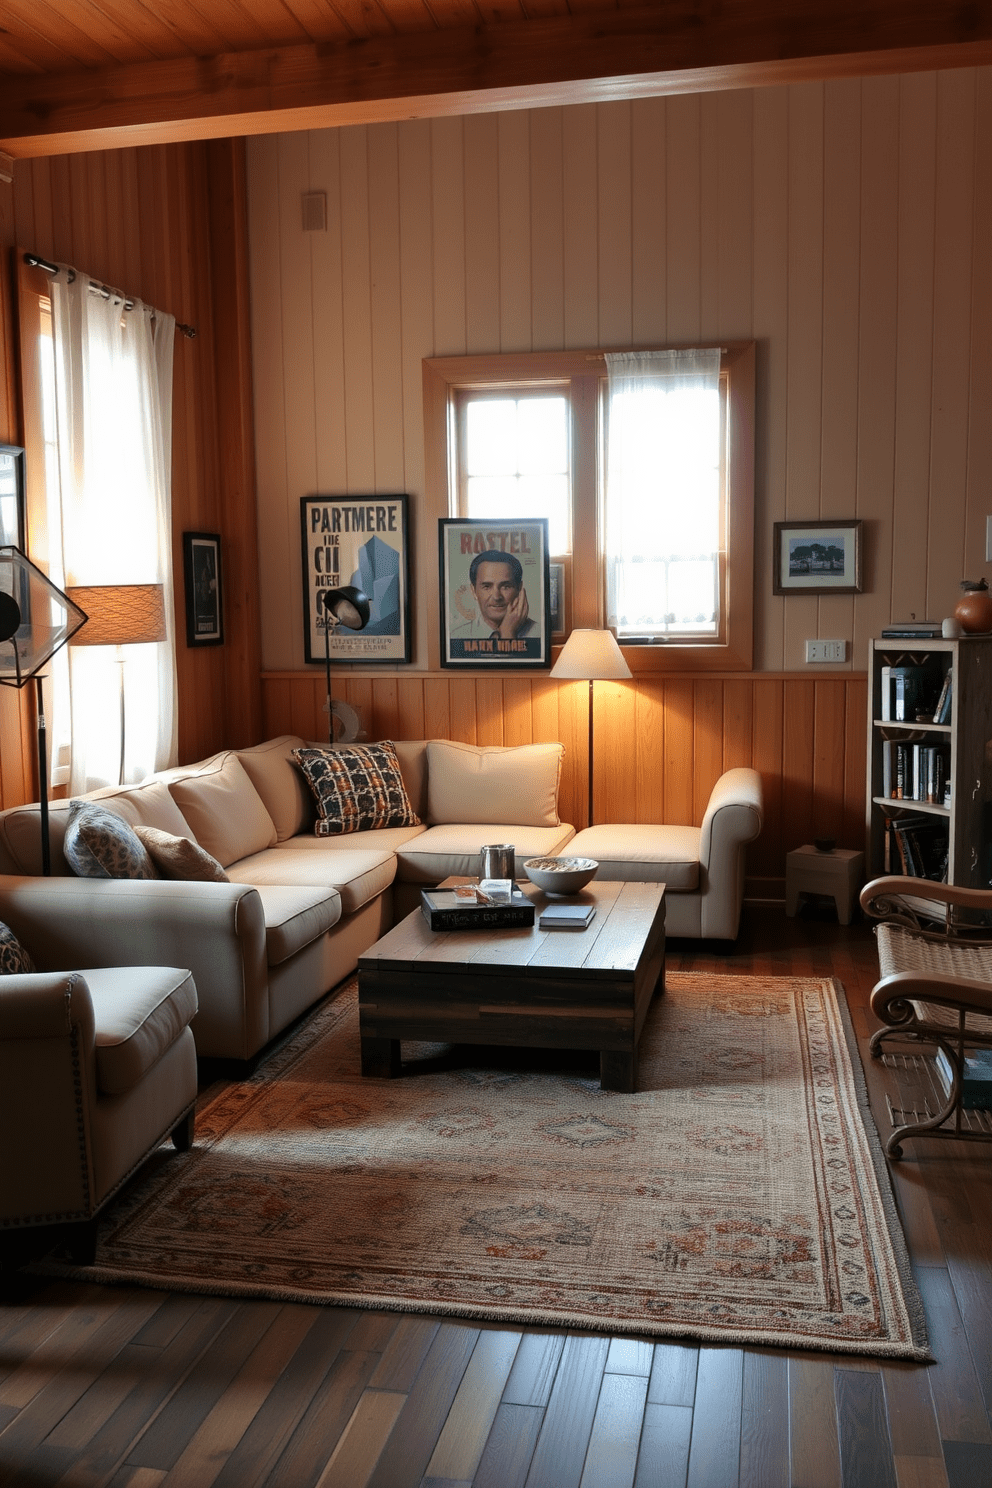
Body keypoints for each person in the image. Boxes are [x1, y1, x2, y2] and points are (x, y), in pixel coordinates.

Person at [450, 550, 536, 640]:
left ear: (519, 589)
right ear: (474, 591)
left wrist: (508, 633)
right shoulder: (457, 636)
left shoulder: (537, 632)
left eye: (506, 587)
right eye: (487, 587)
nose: (496, 597)